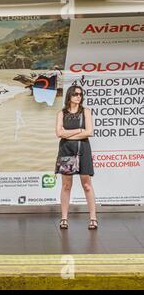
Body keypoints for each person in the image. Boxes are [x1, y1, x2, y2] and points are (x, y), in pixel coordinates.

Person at [55, 85, 98, 230]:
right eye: (75, 94)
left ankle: (93, 218)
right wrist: (80, 130)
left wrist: (70, 133)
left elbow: (89, 132)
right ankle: (64, 218)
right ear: (69, 96)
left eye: (80, 94)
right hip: (66, 151)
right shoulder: (61, 113)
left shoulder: (86, 111)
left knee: (86, 185)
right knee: (66, 186)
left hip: (83, 150)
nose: (78, 96)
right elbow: (59, 133)